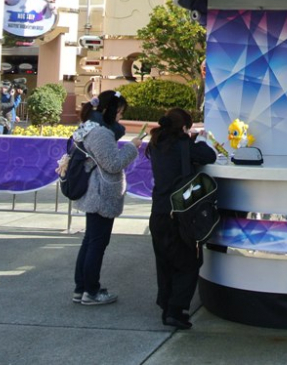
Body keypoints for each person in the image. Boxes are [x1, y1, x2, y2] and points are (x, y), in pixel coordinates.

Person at [146, 108, 217, 330]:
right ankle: (176, 311)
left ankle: (166, 306)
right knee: (189, 261)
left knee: (164, 261)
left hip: (158, 212)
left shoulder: (156, 144)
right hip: (180, 215)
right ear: (185, 127)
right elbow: (209, 156)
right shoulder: (185, 146)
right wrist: (201, 139)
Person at [72, 91, 141, 306]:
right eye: (119, 112)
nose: (120, 117)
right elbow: (112, 164)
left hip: (94, 191)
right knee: (97, 243)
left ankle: (81, 288)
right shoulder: (101, 133)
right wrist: (132, 147)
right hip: (100, 193)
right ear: (109, 110)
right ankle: (91, 291)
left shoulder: (89, 127)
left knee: (90, 241)